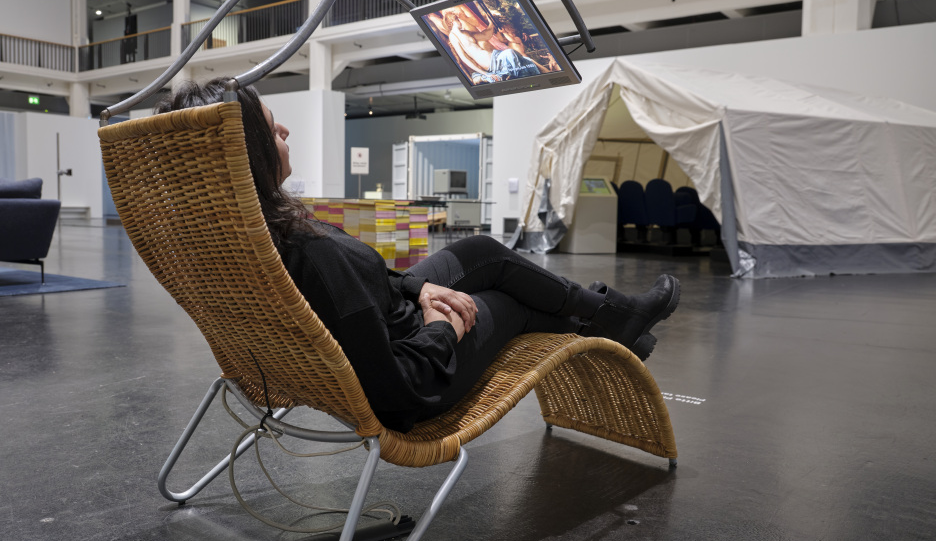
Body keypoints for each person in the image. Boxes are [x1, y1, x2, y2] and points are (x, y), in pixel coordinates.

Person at [156, 79, 680, 433]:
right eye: (272, 129)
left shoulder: (239, 239)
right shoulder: (314, 257)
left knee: (478, 251)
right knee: (508, 300)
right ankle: (608, 325)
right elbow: (399, 390)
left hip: (397, 316)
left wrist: (419, 287)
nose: (286, 132)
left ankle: (611, 319)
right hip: (421, 363)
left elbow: (364, 291)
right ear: (248, 151)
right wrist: (441, 326)